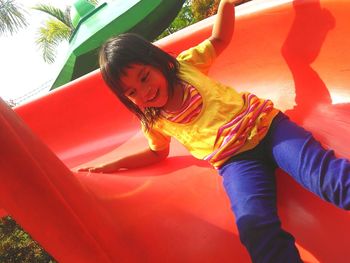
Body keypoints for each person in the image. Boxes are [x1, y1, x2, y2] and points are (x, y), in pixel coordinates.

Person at [79, 0, 350, 262]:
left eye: (144, 77)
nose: (144, 91)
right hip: (236, 162)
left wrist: (226, 5)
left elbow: (219, 39)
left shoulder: (186, 67)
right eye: (132, 92)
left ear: (156, 61)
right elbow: (155, 153)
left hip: (267, 127)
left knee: (328, 178)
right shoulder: (154, 121)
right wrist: (115, 164)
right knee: (254, 228)